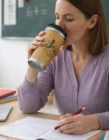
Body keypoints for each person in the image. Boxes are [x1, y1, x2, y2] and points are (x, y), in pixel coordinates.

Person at [18, 0, 109, 135]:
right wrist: (33, 65)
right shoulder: (55, 55)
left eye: (69, 19)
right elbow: (27, 107)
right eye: (57, 17)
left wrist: (93, 121)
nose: (59, 25)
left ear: (92, 22)